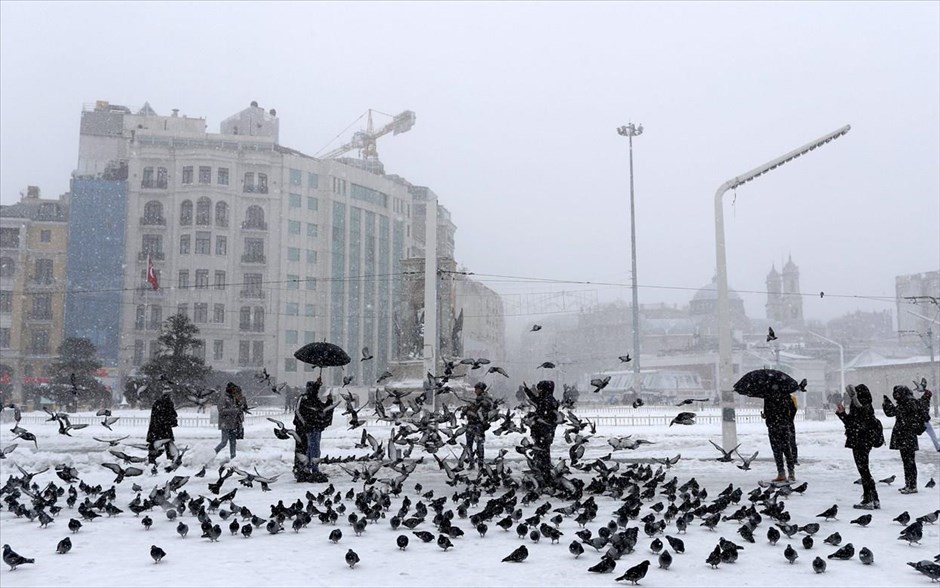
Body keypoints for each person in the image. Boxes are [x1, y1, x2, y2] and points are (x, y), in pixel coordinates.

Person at [835, 384, 884, 509]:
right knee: (864, 470)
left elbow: (852, 424)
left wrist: (843, 415)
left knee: (864, 471)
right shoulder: (867, 406)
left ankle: (869, 499)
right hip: (865, 442)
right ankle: (874, 498)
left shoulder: (859, 407)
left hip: (859, 442)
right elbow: (855, 424)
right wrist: (842, 414)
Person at [883, 384, 932, 493]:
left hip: (906, 436)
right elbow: (894, 412)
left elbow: (893, 413)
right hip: (906, 436)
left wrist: (887, 404)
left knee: (909, 462)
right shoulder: (907, 402)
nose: (896, 396)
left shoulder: (908, 403)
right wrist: (887, 404)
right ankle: (909, 484)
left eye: (897, 394)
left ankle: (912, 486)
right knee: (908, 461)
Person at [295, 376, 335, 483]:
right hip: (308, 428)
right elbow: (298, 411)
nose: (315, 391)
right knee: (313, 449)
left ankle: (308, 468)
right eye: (313, 388)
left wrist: (329, 401)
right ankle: (313, 469)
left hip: (315, 428)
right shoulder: (304, 399)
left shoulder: (314, 400)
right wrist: (305, 424)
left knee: (311, 448)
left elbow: (323, 410)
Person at [525, 380, 560, 487]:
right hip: (544, 433)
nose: (539, 391)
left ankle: (545, 478)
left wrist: (535, 419)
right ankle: (544, 476)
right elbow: (537, 401)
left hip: (543, 433)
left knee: (543, 455)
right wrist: (528, 392)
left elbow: (545, 416)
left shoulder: (547, 401)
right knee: (542, 454)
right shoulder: (547, 399)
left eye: (540, 389)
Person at [762, 391, 798, 483]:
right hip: (779, 426)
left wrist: (770, 417)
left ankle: (784, 473)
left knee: (781, 450)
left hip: (777, 426)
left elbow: (792, 410)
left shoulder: (769, 396)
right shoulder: (786, 397)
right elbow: (793, 410)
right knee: (783, 449)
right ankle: (788, 472)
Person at [462, 382, 494, 470]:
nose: (475, 391)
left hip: (479, 425)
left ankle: (480, 464)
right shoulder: (477, 399)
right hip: (471, 424)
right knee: (469, 445)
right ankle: (472, 463)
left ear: (481, 389)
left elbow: (486, 411)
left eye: (477, 389)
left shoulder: (486, 400)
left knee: (479, 445)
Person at [213, 382, 247, 461]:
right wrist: (235, 410)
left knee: (233, 443)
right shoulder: (224, 398)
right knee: (224, 443)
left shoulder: (233, 398)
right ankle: (212, 454)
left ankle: (233, 459)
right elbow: (221, 410)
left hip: (233, 424)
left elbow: (239, 408)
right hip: (225, 424)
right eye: (233, 389)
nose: (235, 391)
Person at [146, 388, 178, 464]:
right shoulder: (168, 403)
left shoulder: (157, 402)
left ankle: (151, 459)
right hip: (164, 427)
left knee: (154, 443)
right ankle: (171, 459)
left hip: (155, 427)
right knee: (168, 442)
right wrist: (172, 421)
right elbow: (172, 414)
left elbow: (156, 415)